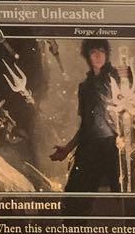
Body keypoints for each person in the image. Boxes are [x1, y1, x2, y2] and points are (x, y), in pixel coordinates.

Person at [50, 40, 122, 192]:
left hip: (115, 147)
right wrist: (68, 148)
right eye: (93, 52)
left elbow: (130, 105)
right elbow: (87, 125)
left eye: (101, 51)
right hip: (89, 148)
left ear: (107, 54)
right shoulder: (85, 87)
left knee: (126, 195)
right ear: (88, 56)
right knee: (74, 196)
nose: (98, 56)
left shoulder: (117, 78)